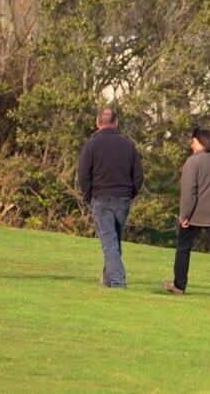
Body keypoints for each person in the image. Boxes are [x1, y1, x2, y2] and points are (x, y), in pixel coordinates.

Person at [162, 127, 210, 302]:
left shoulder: (192, 162)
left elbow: (189, 192)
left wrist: (184, 216)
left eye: (193, 141)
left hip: (195, 214)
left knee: (183, 248)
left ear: (201, 142)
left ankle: (179, 285)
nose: (191, 145)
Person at [77, 108, 144, 289]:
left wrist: (89, 196)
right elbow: (138, 176)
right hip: (123, 199)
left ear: (98, 124)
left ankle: (118, 281)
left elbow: (83, 175)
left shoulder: (91, 145)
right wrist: (130, 194)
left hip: (101, 198)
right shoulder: (128, 145)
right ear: (116, 123)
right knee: (114, 241)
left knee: (108, 242)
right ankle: (107, 280)